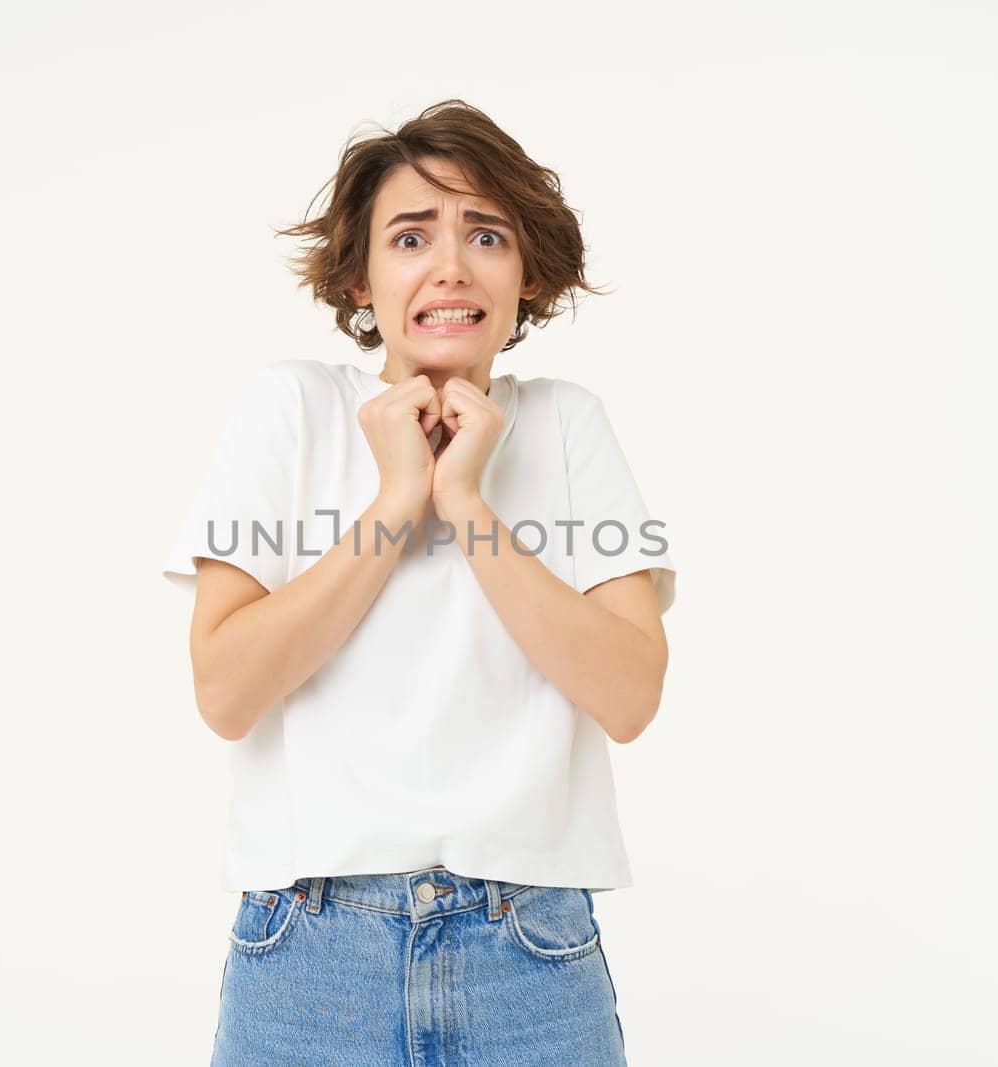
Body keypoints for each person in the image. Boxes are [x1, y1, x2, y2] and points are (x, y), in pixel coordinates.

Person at [163, 99, 677, 1066]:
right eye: (412, 236)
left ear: (527, 275)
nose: (450, 265)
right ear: (362, 276)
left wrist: (469, 504)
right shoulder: (293, 410)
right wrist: (399, 499)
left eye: (486, 234)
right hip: (309, 952)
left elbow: (631, 691)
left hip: (528, 952)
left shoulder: (567, 426)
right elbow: (225, 690)